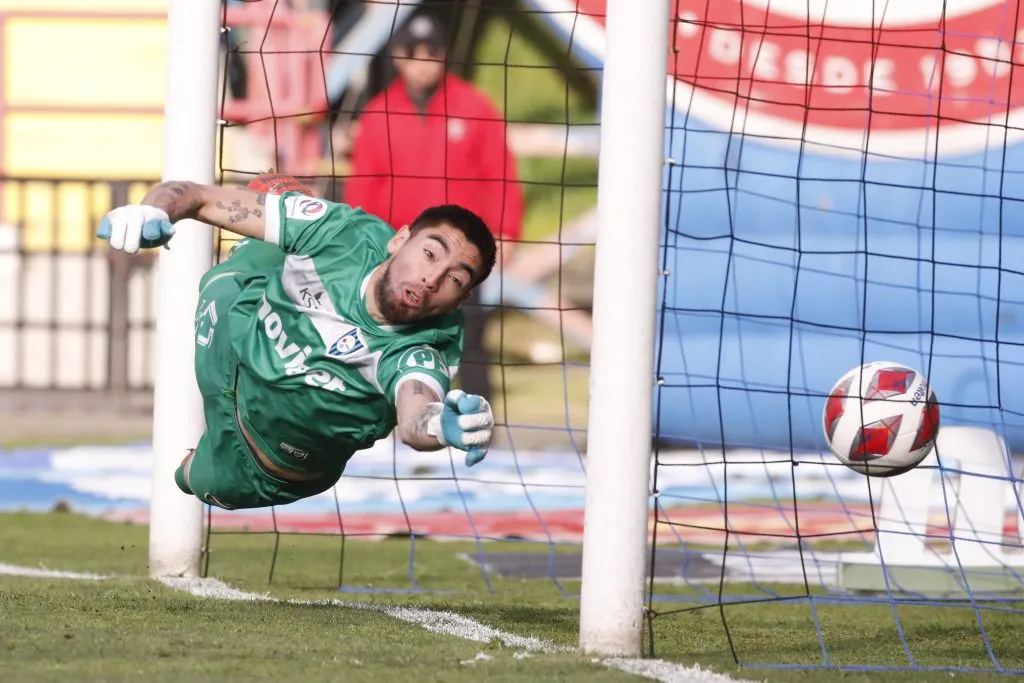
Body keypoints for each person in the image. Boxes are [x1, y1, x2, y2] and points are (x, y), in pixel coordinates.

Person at [96, 173, 496, 511]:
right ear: (399, 240)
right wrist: (151, 210)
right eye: (428, 254)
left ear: (460, 301)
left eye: (455, 279)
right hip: (232, 350)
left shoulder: (422, 349)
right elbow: (195, 196)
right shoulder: (341, 233)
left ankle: (202, 465)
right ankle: (267, 229)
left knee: (189, 479)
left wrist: (438, 425)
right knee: (235, 268)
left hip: (266, 464)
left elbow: (415, 416)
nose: (432, 278)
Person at [344, 12, 524, 405]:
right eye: (413, 53)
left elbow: (502, 173)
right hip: (402, 254)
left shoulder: (475, 106)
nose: (422, 62)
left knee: (470, 339)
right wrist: (361, 241)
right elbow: (364, 184)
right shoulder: (379, 112)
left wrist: (508, 229)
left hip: (459, 257)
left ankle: (478, 424)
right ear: (398, 58)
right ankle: (383, 426)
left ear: (443, 56)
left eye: (432, 53)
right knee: (383, 340)